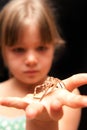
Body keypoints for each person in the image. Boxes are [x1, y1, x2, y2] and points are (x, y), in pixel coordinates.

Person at [0, 0, 87, 130]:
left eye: (41, 48)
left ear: (54, 46)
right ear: (3, 50)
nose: (31, 60)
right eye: (19, 49)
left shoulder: (65, 95)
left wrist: (44, 122)